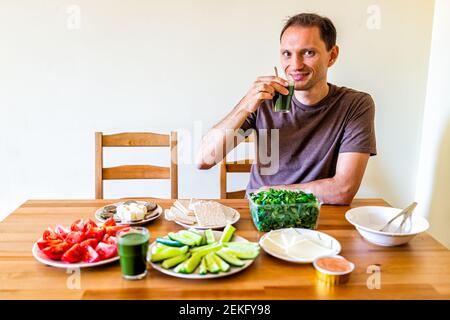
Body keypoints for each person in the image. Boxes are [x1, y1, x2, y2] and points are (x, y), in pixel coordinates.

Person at [195, 13, 377, 205]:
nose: (295, 65)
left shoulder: (355, 104)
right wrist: (244, 107)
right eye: (287, 54)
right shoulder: (263, 99)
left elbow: (343, 190)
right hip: (262, 214)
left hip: (316, 217)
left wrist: (272, 192)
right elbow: (203, 159)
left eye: (308, 52)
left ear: (332, 56)